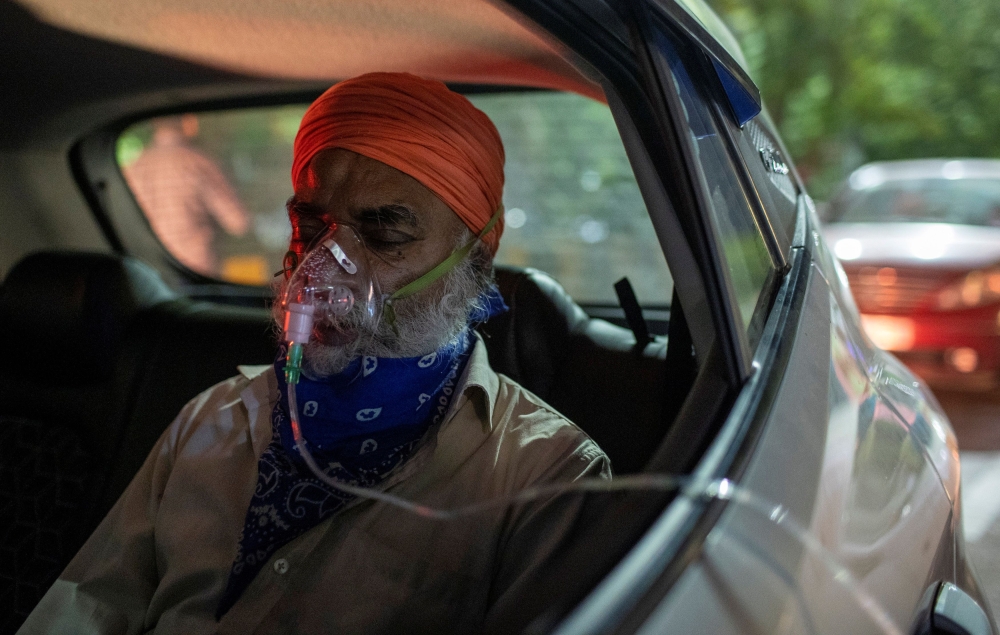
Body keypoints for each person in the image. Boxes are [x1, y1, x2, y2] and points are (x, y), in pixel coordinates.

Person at [17, 72, 610, 635]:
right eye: (310, 225)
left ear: (477, 253)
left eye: (384, 233)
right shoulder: (213, 418)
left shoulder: (546, 476)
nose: (323, 267)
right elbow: (86, 607)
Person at [123, 115, 250, 276]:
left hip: (152, 270)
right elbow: (237, 222)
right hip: (197, 271)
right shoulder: (197, 162)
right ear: (189, 122)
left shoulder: (133, 167)